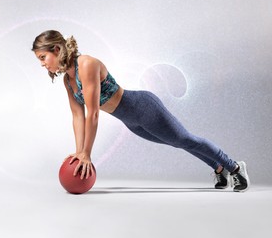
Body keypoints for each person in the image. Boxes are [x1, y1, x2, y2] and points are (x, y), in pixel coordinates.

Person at [32, 30, 250, 192]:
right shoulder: (68, 82)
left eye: (43, 57)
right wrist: (79, 152)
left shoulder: (86, 64)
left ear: (57, 50)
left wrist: (87, 153)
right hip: (132, 121)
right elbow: (78, 117)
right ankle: (219, 170)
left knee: (185, 139)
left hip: (143, 108)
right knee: (178, 142)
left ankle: (235, 169)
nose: (42, 64)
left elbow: (93, 114)